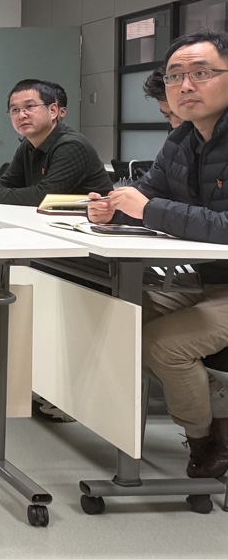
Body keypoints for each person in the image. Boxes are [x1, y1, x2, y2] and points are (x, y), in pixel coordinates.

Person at [86, 29, 228, 478]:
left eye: (201, 73)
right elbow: (148, 195)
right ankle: (216, 415)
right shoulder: (182, 140)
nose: (185, 86)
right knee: (120, 313)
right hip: (207, 281)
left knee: (163, 344)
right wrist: (111, 211)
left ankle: (207, 443)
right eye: (175, 76)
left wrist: (147, 208)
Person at [0, 79, 112, 204]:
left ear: (53, 111)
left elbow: (44, 197)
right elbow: (8, 182)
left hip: (89, 226)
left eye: (30, 107)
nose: (21, 115)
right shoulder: (28, 145)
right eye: (15, 110)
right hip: (48, 222)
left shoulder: (71, 145)